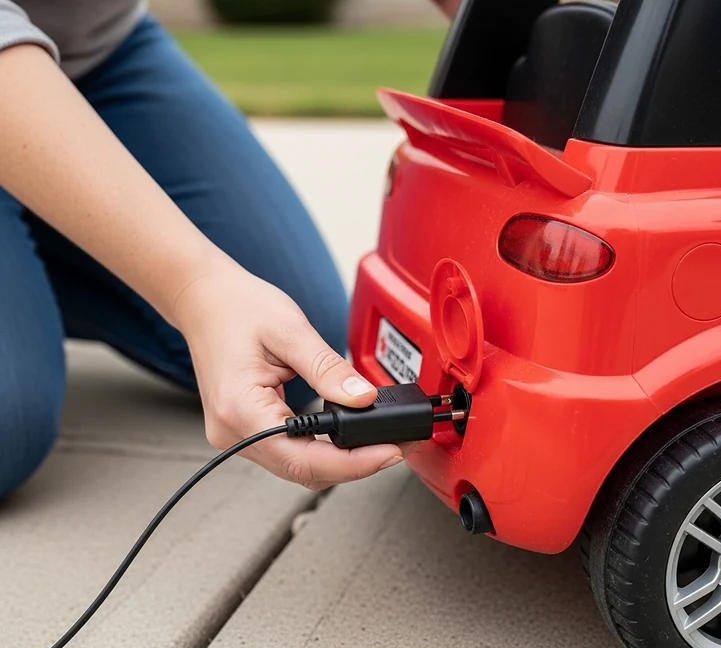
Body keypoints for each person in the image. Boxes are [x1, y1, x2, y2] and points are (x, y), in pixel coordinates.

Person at [0, 0, 460, 499]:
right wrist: (194, 287)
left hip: (98, 52)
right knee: (9, 427)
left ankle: (48, 237)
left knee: (287, 349)